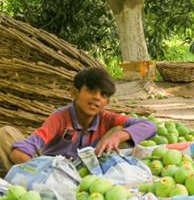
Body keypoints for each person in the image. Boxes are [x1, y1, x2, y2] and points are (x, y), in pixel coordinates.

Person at [0, 67, 157, 173]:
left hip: (89, 174)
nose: (97, 98)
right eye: (91, 90)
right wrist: (35, 170)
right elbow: (28, 147)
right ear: (74, 93)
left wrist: (118, 136)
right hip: (51, 171)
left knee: (119, 131)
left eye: (103, 95)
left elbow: (149, 126)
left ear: (107, 102)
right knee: (6, 133)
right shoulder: (60, 118)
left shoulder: (107, 118)